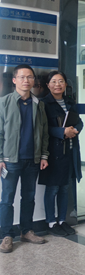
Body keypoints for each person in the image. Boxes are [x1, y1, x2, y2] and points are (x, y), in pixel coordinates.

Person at [0, 65, 49, 253]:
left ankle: (26, 231)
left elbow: (44, 133)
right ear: (14, 80)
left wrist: (44, 155)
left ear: (34, 80)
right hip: (10, 160)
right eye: (22, 77)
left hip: (33, 159)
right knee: (7, 199)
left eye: (29, 77)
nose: (26, 80)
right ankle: (6, 235)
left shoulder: (39, 104)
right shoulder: (4, 103)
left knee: (28, 197)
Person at [39, 71, 82, 236]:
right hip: (53, 152)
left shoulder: (70, 102)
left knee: (65, 188)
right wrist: (62, 131)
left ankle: (62, 221)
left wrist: (74, 130)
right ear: (48, 85)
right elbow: (42, 128)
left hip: (69, 151)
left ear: (65, 84)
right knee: (52, 189)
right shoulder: (44, 103)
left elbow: (79, 122)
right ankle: (51, 222)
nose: (58, 84)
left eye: (61, 81)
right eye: (54, 81)